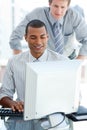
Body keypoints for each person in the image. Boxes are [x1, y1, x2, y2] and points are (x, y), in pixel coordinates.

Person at [0, 20, 70, 130]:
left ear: (47, 37)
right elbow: (4, 94)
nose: (38, 42)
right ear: (26, 38)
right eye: (33, 37)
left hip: (52, 119)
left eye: (42, 37)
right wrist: (11, 103)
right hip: (22, 117)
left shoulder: (62, 61)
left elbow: (74, 96)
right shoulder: (14, 62)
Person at [9, 0, 87, 60]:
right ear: (49, 4)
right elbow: (15, 37)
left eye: (62, 7)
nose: (59, 11)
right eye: (55, 6)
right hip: (44, 59)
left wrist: (78, 61)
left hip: (69, 57)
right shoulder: (37, 14)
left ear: (68, 6)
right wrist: (19, 61)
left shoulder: (73, 16)